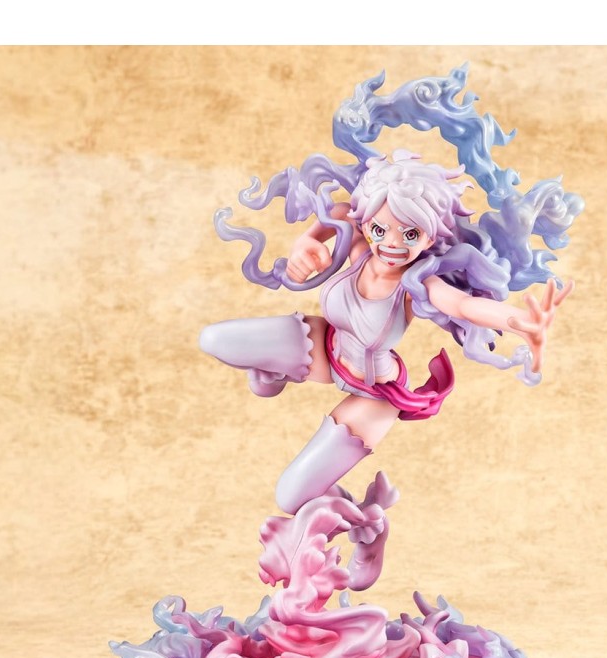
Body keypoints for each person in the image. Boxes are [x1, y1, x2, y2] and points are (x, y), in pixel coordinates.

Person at [200, 69, 583, 514]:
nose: (392, 244)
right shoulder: (358, 243)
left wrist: (520, 322)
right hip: (324, 347)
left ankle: (353, 518)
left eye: (411, 234)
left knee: (290, 497)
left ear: (431, 237)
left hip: (374, 393)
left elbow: (463, 305)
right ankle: (273, 375)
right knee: (214, 339)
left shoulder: (418, 282)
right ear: (368, 223)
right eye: (380, 229)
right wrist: (306, 242)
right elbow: (338, 211)